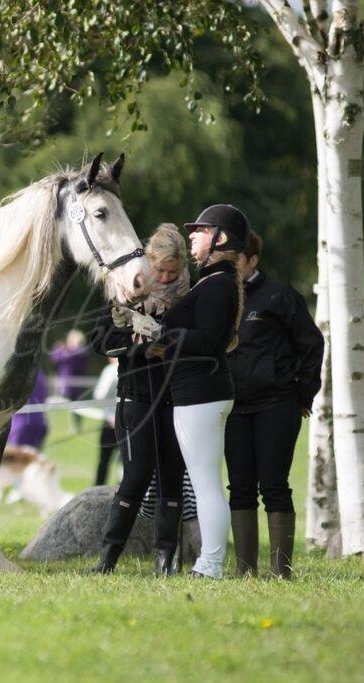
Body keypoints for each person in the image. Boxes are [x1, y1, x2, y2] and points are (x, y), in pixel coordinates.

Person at [144, 205, 246, 579]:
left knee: (205, 484)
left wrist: (160, 334)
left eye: (201, 231)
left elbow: (206, 340)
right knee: (205, 483)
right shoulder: (213, 281)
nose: (192, 236)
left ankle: (211, 563)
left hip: (201, 392)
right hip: (199, 392)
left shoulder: (217, 285)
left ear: (221, 238)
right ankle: (210, 562)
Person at [88, 224, 190, 575]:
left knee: (172, 478)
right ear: (148, 262)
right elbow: (100, 341)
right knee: (136, 476)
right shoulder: (124, 290)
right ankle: (108, 559)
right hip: (135, 397)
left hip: (176, 397)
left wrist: (169, 340)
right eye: (160, 270)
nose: (165, 278)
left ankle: (165, 560)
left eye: (172, 272)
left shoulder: (189, 296)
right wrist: (135, 342)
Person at [224, 229, 323, 578]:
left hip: (277, 405)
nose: (228, 265)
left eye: (235, 258)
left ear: (252, 260)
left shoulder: (280, 296)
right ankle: (245, 570)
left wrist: (303, 393)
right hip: (233, 408)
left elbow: (312, 344)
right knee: (240, 487)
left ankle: (281, 571)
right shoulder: (219, 297)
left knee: (274, 485)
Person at [51, 330, 90, 431]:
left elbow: (74, 358)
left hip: (77, 386)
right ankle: (61, 426)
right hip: (64, 385)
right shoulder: (64, 350)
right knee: (61, 405)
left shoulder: (82, 352)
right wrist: (63, 349)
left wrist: (67, 350)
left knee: (77, 407)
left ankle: (76, 426)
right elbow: (55, 357)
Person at [92, 358, 119, 485]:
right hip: (131, 421)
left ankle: (98, 487)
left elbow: (100, 396)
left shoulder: (110, 370)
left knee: (104, 460)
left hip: (110, 422)